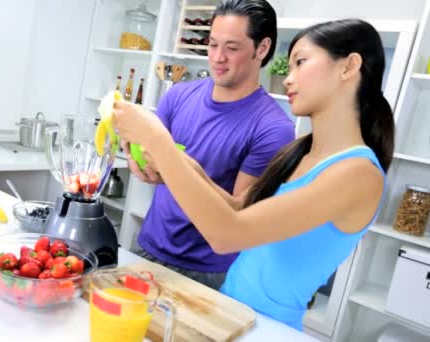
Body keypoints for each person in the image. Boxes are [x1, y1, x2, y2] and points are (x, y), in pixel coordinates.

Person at [113, 18, 394, 330]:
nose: (288, 79)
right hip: (231, 312)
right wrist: (179, 166)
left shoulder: (358, 173)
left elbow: (227, 234)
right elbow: (238, 210)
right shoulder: (301, 151)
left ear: (349, 66)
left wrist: (157, 140)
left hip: (268, 328)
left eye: (300, 62)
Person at [123, 0, 294, 290]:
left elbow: (240, 212)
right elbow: (146, 158)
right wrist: (136, 158)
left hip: (209, 272)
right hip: (148, 247)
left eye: (232, 47)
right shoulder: (178, 96)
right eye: (212, 44)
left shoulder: (274, 129)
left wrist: (175, 165)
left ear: (262, 49)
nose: (217, 57)